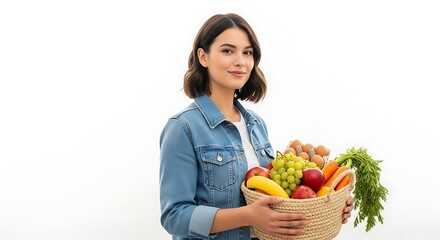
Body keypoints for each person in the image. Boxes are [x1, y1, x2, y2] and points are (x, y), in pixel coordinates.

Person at [159, 13, 354, 240]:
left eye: (248, 52)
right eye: (227, 51)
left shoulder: (256, 124)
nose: (241, 61)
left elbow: (274, 196)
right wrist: (248, 216)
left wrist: (326, 205)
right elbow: (174, 216)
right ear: (203, 56)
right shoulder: (183, 128)